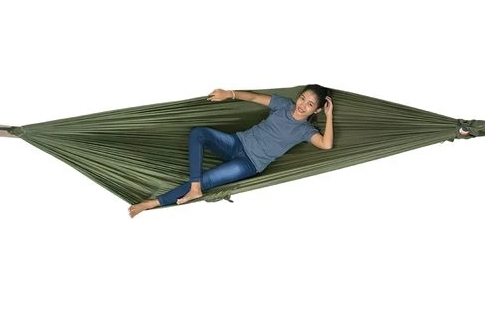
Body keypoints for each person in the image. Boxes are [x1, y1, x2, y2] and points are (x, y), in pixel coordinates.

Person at [128, 85, 334, 218]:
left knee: (207, 179)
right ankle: (195, 188)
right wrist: (229, 94)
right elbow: (254, 97)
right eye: (302, 98)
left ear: (316, 110)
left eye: (310, 104)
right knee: (198, 133)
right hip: (237, 142)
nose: (302, 105)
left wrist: (329, 115)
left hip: (249, 164)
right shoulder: (284, 105)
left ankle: (152, 203)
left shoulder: (306, 131)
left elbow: (326, 144)